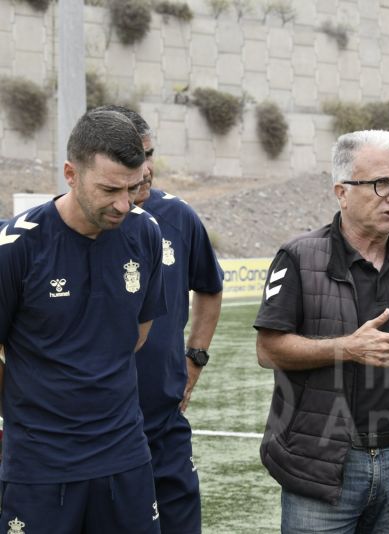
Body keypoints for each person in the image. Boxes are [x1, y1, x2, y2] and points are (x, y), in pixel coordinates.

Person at [254, 129, 389, 533]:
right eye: (381, 184)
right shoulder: (298, 256)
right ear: (342, 191)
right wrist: (347, 348)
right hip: (323, 463)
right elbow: (268, 350)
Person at [0, 109, 166, 532]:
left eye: (133, 188)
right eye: (109, 189)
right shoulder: (17, 246)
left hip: (126, 455)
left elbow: (137, 335)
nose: (123, 204)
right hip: (41, 465)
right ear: (71, 174)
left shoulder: (145, 232)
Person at [96, 106, 224, 534]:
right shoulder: (69, 227)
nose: (145, 169)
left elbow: (210, 286)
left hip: (164, 420)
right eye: (134, 157)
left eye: (149, 154)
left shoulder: (178, 217)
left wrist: (195, 359)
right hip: (89, 429)